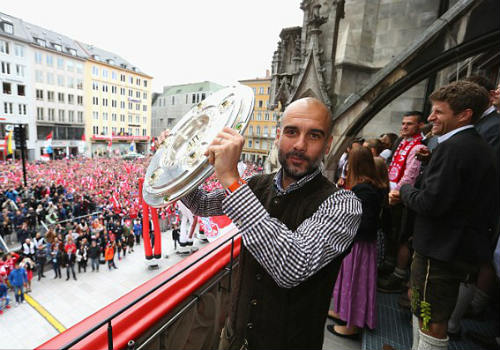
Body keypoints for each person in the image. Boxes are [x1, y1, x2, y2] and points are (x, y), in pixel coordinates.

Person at [167, 97, 362, 349]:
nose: (300, 145)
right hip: (234, 339)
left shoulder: (343, 204)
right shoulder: (258, 184)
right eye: (292, 132)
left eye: (314, 135)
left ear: (328, 145)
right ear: (278, 136)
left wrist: (231, 180)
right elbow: (202, 204)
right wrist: (174, 161)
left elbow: (293, 266)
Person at [390, 81, 499, 350]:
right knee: (426, 312)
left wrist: (403, 190)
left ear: (464, 115)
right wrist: (432, 163)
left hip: (440, 251)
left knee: (430, 318)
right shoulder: (470, 145)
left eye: (438, 112)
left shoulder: (455, 148)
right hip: (453, 248)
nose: (430, 118)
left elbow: (430, 203)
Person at [327, 146, 385, 338]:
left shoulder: (365, 190)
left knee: (353, 284)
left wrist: (341, 224)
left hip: (358, 245)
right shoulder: (371, 186)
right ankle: (343, 313)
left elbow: (366, 223)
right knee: (347, 282)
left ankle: (352, 326)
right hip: (360, 244)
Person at [379, 111, 426, 293]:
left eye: (409, 124)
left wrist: (396, 194)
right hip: (390, 192)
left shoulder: (418, 146)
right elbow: (391, 165)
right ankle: (389, 264)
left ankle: (398, 275)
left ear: (419, 126)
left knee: (402, 235)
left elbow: (410, 174)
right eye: (403, 123)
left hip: (402, 198)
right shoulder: (400, 141)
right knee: (391, 231)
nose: (404, 126)